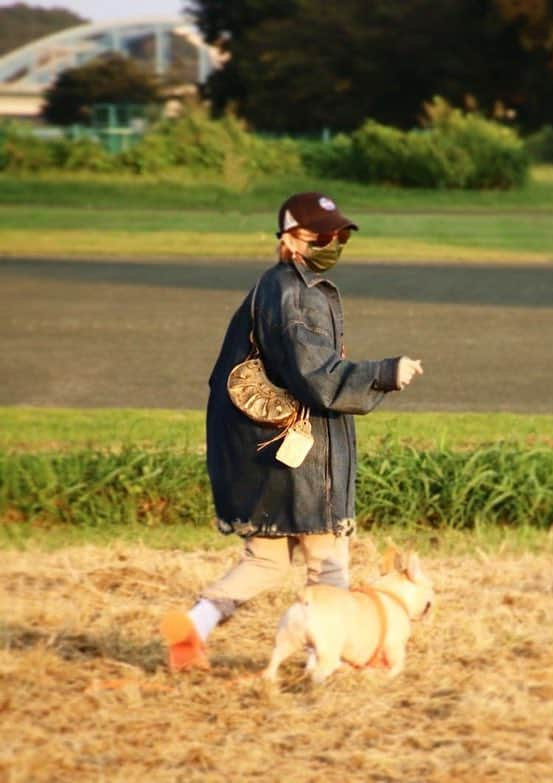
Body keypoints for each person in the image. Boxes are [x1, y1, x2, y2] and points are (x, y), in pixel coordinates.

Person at [160, 191, 423, 672]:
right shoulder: (296, 294)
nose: (333, 242)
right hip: (301, 463)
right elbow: (317, 377)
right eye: (321, 235)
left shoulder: (273, 285)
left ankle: (194, 625)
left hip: (261, 454)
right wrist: (385, 373)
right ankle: (324, 660)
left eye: (339, 234)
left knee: (266, 561)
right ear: (289, 239)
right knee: (329, 561)